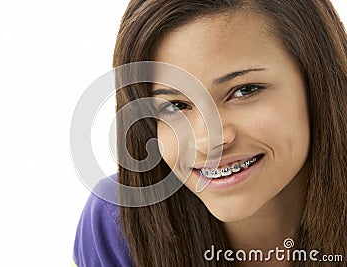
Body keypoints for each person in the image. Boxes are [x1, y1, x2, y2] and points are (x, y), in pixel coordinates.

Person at [73, 0, 347, 266]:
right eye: (176, 105)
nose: (210, 140)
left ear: (318, 83)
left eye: (245, 90)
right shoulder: (116, 224)